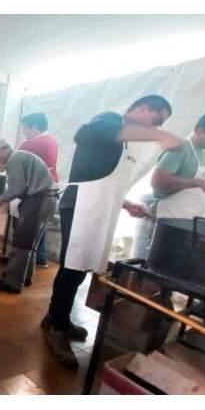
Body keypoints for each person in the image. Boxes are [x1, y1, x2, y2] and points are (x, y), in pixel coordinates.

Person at [43, 95, 183, 369]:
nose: (155, 127)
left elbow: (104, 181)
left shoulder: (122, 141)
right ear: (143, 108)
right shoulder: (108, 120)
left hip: (96, 208)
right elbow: (85, 133)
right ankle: (55, 329)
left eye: (160, 124)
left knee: (80, 269)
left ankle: (55, 317)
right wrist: (160, 136)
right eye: (157, 120)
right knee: (72, 268)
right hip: (82, 204)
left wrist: (128, 204)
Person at [0, 139, 58, 294]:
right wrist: (2, 167)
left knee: (22, 242)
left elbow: (16, 189)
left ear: (2, 150)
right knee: (31, 243)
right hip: (47, 199)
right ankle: (25, 276)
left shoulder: (15, 159)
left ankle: (13, 283)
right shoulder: (21, 156)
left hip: (38, 201)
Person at [134, 113, 205, 258]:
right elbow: (158, 181)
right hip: (169, 223)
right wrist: (196, 182)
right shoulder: (179, 149)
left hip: (192, 224)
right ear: (199, 130)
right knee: (160, 263)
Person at [18, 113, 60, 267]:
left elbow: (12, 157)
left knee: (30, 227)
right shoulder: (51, 141)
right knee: (40, 225)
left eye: (25, 128)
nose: (24, 132)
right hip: (50, 189)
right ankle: (41, 258)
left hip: (39, 191)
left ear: (34, 127)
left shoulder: (35, 144)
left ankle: (24, 265)